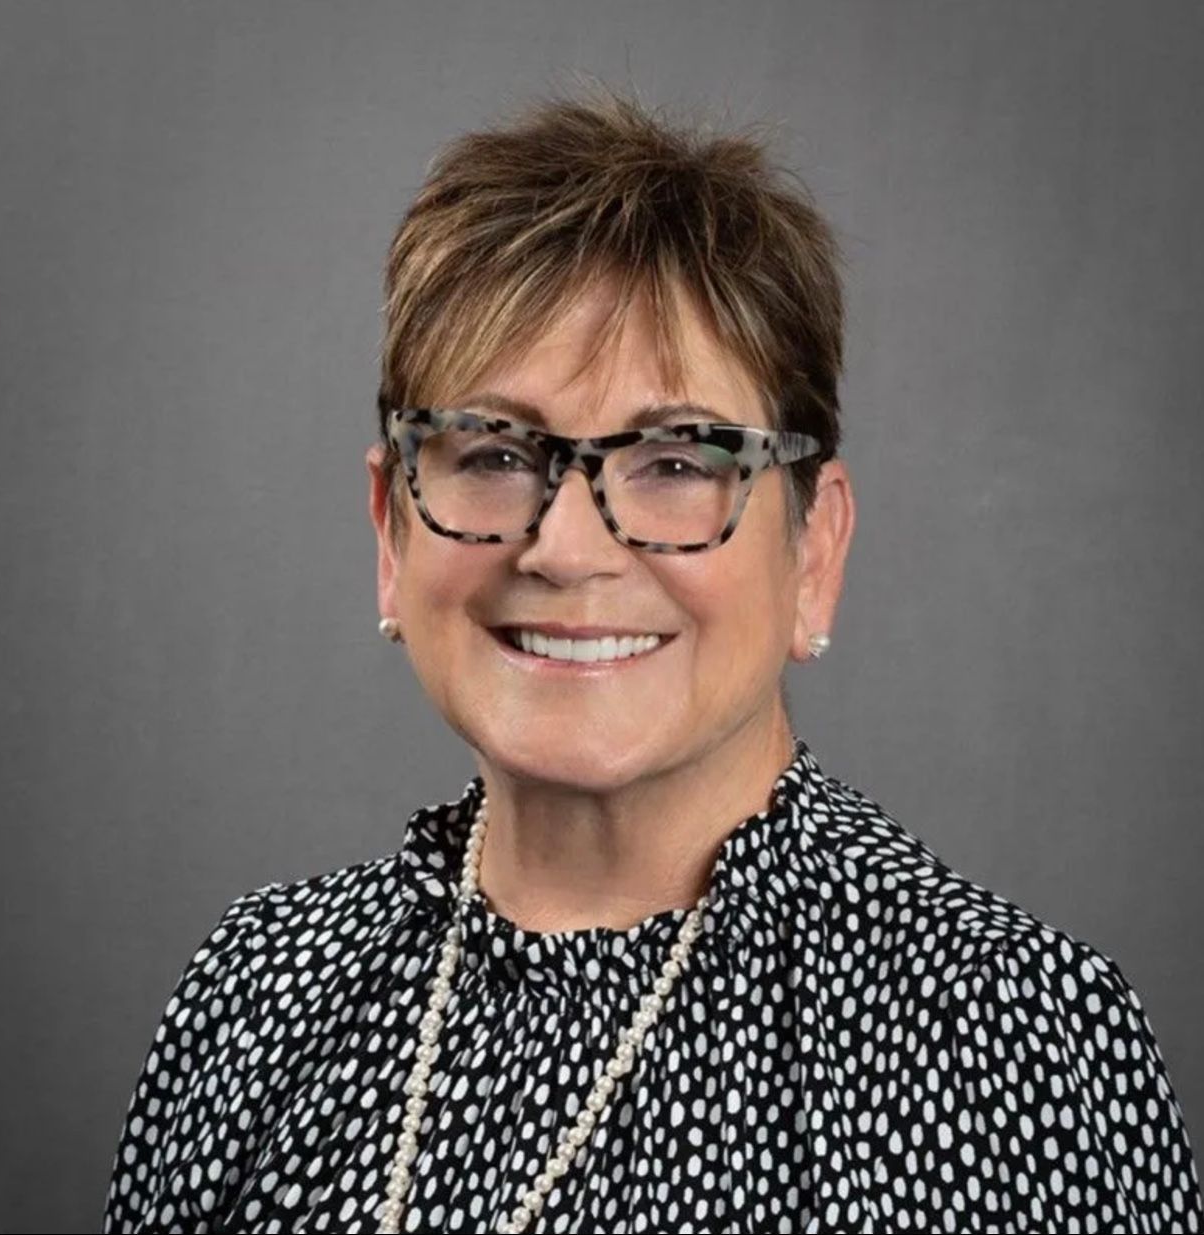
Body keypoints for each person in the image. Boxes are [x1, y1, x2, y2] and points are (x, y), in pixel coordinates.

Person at [101, 87, 1203, 1234]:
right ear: (391, 530)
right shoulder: (253, 992)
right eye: (489, 450)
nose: (564, 547)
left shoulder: (1012, 1044)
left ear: (813, 548)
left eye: (678, 462)